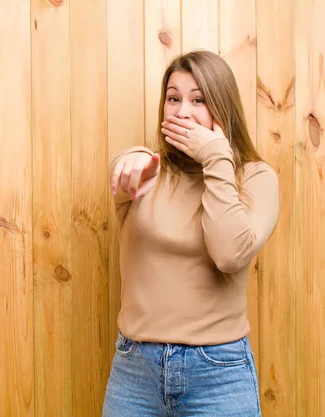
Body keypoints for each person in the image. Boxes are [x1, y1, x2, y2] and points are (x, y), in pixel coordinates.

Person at [102, 50, 279, 416]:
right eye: (173, 98)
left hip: (219, 375)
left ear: (222, 106)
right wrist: (129, 157)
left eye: (198, 99)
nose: (182, 111)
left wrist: (216, 157)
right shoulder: (148, 173)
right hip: (136, 371)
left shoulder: (257, 178)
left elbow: (229, 254)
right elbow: (125, 172)